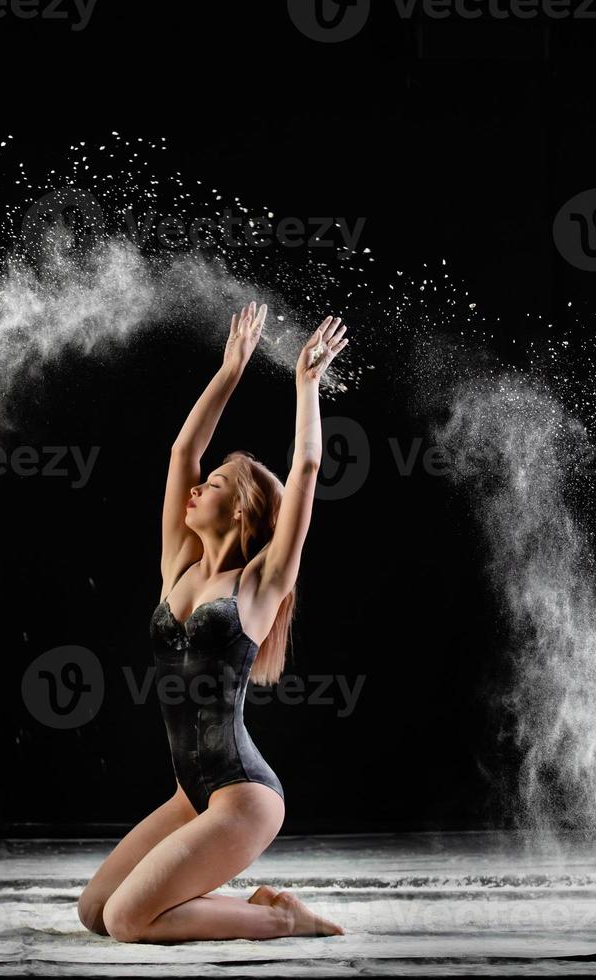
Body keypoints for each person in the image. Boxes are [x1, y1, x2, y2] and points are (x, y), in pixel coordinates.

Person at [77, 301, 349, 943]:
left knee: (125, 921)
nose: (198, 488)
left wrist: (306, 388)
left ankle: (280, 916)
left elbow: (305, 468)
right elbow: (182, 452)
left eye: (217, 484)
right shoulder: (178, 567)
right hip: (190, 795)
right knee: (95, 912)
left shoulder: (258, 586)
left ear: (244, 511)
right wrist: (231, 370)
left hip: (243, 797)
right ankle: (218, 896)